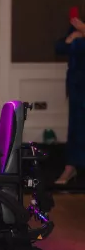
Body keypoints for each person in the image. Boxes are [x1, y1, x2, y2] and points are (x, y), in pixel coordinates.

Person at [54, 14, 85, 184]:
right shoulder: (77, 23)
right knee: (76, 127)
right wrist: (73, 37)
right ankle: (71, 166)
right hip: (77, 85)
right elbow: (60, 47)